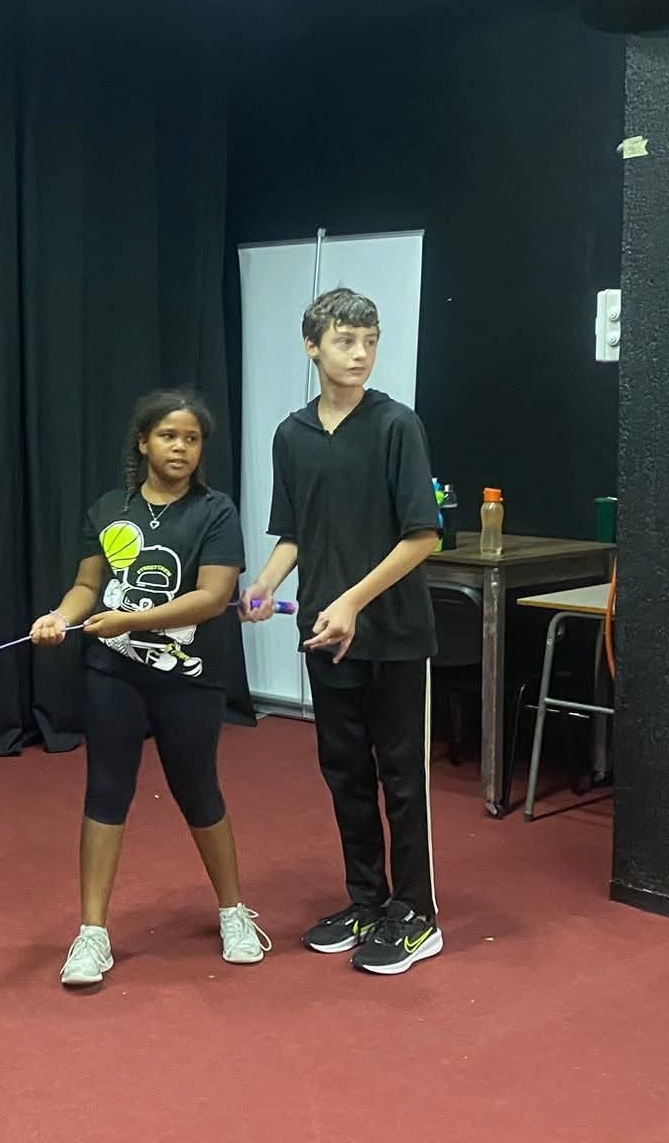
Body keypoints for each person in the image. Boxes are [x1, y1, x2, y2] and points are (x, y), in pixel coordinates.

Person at [30, 388, 270, 987]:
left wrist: (129, 621)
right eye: (168, 436)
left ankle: (234, 913)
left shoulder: (215, 512)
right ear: (143, 442)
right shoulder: (110, 509)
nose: (180, 448)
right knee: (106, 790)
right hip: (113, 673)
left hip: (191, 677)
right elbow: (87, 587)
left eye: (192, 439)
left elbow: (212, 597)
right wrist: (60, 617)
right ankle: (92, 933)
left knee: (198, 789)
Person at [242, 288, 444, 975]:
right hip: (326, 636)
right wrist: (265, 583)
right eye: (344, 341)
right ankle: (367, 900)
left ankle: (416, 914)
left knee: (402, 779)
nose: (360, 354)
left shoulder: (397, 426)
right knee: (346, 775)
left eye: (370, 342)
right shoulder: (292, 435)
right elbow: (296, 533)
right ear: (312, 347)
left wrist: (353, 600)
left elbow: (422, 537)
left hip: (394, 634)